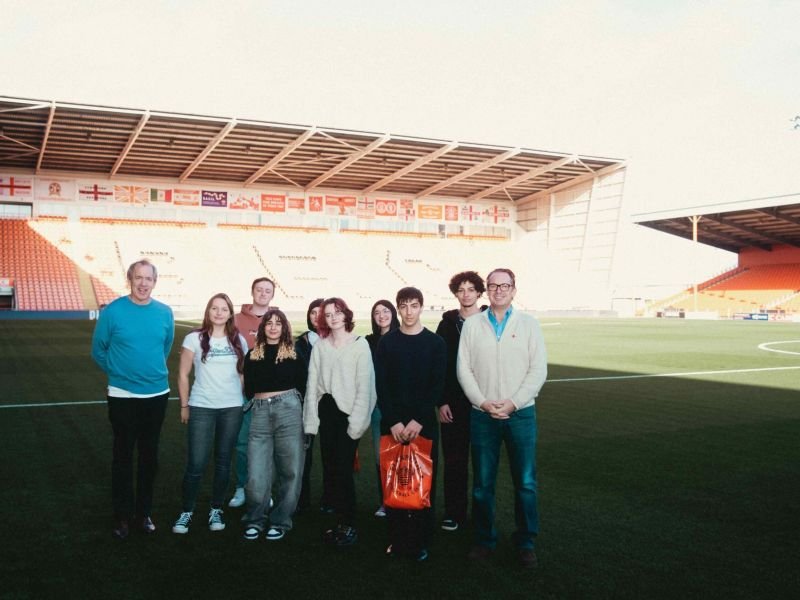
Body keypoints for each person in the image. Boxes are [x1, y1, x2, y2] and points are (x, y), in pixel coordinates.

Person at [457, 268, 547, 569]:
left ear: (513, 289)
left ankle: (525, 541)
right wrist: (482, 402)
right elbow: (464, 369)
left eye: (504, 285)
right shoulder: (473, 325)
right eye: (493, 285)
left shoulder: (529, 325)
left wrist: (512, 403)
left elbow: (538, 371)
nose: (498, 290)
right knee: (483, 483)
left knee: (525, 482)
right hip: (482, 416)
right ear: (488, 290)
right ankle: (484, 540)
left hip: (521, 415)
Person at [91, 259, 174, 539]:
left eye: (148, 278)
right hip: (122, 395)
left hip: (156, 395)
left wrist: (148, 374)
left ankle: (144, 513)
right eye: (138, 277)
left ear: (154, 282)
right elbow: (98, 350)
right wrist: (120, 374)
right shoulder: (113, 311)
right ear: (130, 279)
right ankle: (122, 516)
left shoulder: (165, 312)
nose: (143, 283)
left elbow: (165, 347)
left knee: (149, 457)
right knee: (123, 456)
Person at [375, 287, 446, 561]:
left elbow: (436, 385)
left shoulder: (436, 343)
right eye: (403, 306)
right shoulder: (387, 343)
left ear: (421, 307)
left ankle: (420, 540)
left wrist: (417, 419)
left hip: (423, 425)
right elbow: (381, 385)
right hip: (392, 425)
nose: (408, 311)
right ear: (397, 308)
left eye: (413, 305)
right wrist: (393, 421)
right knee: (394, 482)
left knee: (423, 483)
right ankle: (396, 538)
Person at [303, 297, 375, 547]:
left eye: (337, 312)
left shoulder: (360, 345)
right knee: (331, 468)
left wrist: (356, 423)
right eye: (328, 314)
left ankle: (349, 524)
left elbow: (365, 387)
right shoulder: (320, 347)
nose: (333, 317)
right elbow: (313, 384)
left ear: (346, 315)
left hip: (348, 414)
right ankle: (339, 519)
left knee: (344, 469)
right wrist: (311, 419)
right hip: (327, 413)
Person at [172, 294, 247, 534]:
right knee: (196, 463)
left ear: (230, 313)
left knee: (224, 461)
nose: (218, 312)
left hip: (231, 408)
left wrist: (243, 400)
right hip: (202, 406)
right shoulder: (194, 338)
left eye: (223, 309)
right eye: (214, 308)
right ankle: (187, 510)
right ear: (208, 311)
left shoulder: (239, 340)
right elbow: (182, 374)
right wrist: (185, 406)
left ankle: (216, 508)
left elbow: (244, 375)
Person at [241, 309, 307, 541]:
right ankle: (255, 519)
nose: (273, 327)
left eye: (278, 323)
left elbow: (303, 385)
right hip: (259, 413)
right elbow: (249, 388)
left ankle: (280, 520)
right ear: (263, 327)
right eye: (269, 323)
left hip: (288, 410)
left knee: (291, 469)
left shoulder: (295, 354)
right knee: (257, 472)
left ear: (284, 327)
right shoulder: (252, 355)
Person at [435, 271, 487, 532]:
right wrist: (442, 401)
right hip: (453, 404)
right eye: (461, 289)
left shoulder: (490, 320)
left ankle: (481, 516)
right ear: (455, 293)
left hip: (483, 404)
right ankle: (454, 513)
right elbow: (438, 365)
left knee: (482, 463)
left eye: (471, 289)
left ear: (480, 292)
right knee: (454, 461)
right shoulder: (446, 324)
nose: (466, 294)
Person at [230, 277, 276, 508]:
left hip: (271, 393)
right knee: (241, 442)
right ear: (252, 292)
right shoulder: (236, 320)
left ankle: (264, 489)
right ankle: (241, 487)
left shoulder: (278, 319)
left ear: (272, 294)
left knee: (267, 444)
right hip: (244, 391)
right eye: (259, 289)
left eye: (268, 290)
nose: (263, 293)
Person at [365, 300, 400, 518]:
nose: (381, 315)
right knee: (381, 456)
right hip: (378, 406)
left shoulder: (404, 336)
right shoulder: (368, 341)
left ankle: (405, 496)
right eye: (377, 312)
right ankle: (386, 500)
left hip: (401, 406)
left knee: (402, 453)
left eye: (386, 311)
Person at [293, 298, 324, 513]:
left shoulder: (339, 340)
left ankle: (333, 499)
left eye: (321, 312)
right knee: (304, 454)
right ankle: (301, 500)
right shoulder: (301, 342)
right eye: (313, 312)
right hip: (307, 404)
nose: (317, 316)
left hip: (333, 406)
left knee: (334, 455)